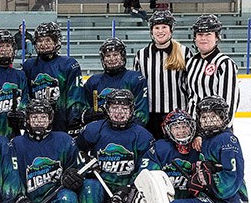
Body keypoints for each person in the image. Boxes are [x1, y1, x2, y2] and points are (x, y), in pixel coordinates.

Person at [74, 89, 154, 203]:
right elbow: (75, 151)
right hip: (100, 186)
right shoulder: (94, 129)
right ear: (107, 110)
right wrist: (84, 162)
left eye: (124, 108)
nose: (119, 112)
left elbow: (147, 168)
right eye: (114, 107)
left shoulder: (142, 136)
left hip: (126, 191)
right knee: (88, 187)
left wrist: (130, 187)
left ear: (132, 110)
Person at [133, 10, 193, 138]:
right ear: (151, 31)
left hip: (177, 114)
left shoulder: (184, 52)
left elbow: (190, 84)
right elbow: (137, 86)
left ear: (171, 30)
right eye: (156, 27)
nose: (160, 31)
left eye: (164, 27)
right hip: (149, 114)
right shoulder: (141, 55)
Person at [22, 22, 86, 133]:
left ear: (56, 42)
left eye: (47, 40)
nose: (43, 44)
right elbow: (25, 96)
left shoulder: (69, 64)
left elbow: (75, 96)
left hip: (62, 126)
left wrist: (74, 121)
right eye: (40, 41)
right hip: (36, 125)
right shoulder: (29, 66)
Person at [185, 14, 239, 128]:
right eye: (200, 34)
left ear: (217, 37)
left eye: (208, 34)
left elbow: (229, 102)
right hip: (193, 129)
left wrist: (218, 129)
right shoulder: (191, 63)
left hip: (215, 130)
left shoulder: (224, 63)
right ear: (195, 38)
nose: (203, 38)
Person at [80, 37, 149, 128]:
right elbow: (82, 111)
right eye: (108, 56)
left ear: (123, 56)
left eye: (115, 54)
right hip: (100, 131)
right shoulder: (93, 81)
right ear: (103, 59)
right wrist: (89, 115)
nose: (112, 59)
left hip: (129, 131)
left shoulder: (136, 79)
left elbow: (142, 114)